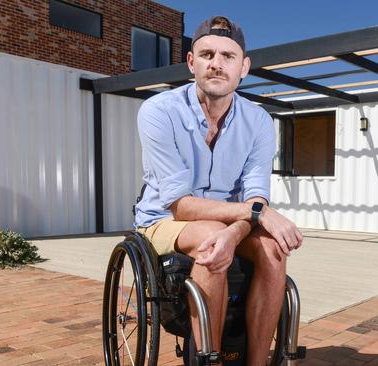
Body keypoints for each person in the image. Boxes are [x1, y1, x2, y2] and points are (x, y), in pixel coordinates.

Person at [134, 15, 303, 365]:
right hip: (163, 220)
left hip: (229, 222)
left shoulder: (258, 121)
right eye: (207, 54)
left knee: (273, 249)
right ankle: (207, 362)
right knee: (212, 236)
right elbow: (180, 206)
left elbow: (255, 194)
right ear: (191, 63)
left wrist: (244, 223)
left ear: (244, 67)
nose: (217, 64)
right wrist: (254, 215)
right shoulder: (158, 112)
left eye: (228, 56)